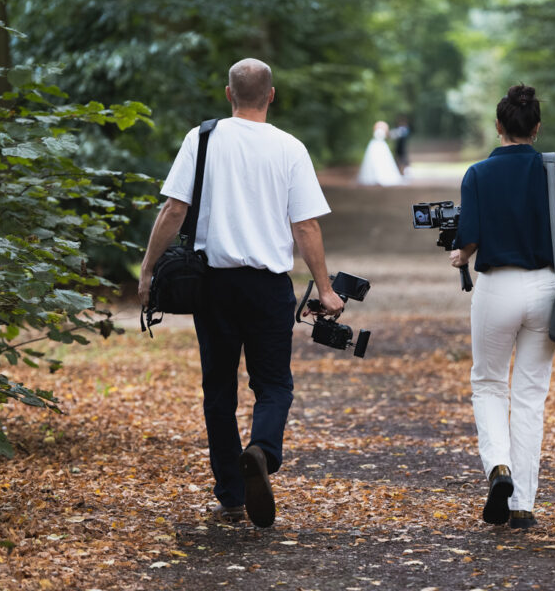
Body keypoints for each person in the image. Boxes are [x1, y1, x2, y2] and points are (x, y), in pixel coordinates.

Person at [138, 58, 344, 528]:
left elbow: (173, 209)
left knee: (219, 389)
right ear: (271, 95)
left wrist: (148, 270)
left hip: (212, 285)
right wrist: (327, 289)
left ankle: (231, 494)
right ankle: (262, 451)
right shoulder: (290, 148)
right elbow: (306, 224)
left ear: (228, 94)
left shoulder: (203, 139)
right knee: (273, 385)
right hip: (269, 287)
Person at [448, 84, 555, 529]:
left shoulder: (477, 174)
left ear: (498, 127)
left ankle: (499, 468)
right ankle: (524, 506)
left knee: (490, 384)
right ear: (536, 127)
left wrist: (460, 255)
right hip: (547, 290)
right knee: (531, 396)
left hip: (497, 289)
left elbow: (469, 239)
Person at [356, 120, 404, 186]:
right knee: (373, 161)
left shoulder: (381, 127)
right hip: (376, 145)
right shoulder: (382, 127)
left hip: (380, 145)